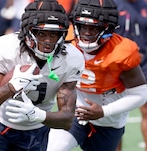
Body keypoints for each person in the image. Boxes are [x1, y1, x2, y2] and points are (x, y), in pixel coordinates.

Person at [0, 0, 84, 150]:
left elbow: (67, 120)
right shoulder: (8, 47)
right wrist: (11, 87)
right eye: (41, 33)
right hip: (0, 123)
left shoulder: (71, 58)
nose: (48, 41)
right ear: (27, 32)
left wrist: (37, 114)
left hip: (36, 130)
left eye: (54, 34)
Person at [47, 0, 147, 151]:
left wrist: (104, 111)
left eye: (93, 28)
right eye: (82, 26)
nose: (86, 32)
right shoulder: (66, 42)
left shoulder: (121, 51)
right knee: (54, 148)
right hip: (74, 114)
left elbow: (141, 94)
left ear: (108, 28)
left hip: (108, 121)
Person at [114, 0, 147, 150]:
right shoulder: (112, 4)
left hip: (144, 64)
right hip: (115, 67)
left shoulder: (144, 5)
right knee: (114, 116)